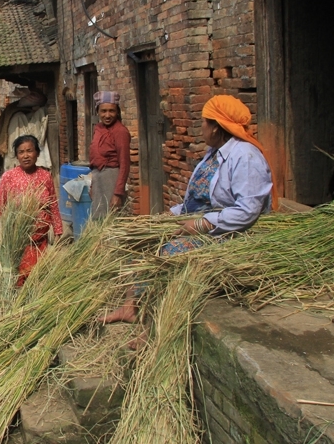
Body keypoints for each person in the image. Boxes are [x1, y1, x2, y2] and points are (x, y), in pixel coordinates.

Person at [101, 94, 275, 325]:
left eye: (204, 122)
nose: (201, 127)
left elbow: (247, 211)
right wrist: (171, 214)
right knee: (140, 243)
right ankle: (129, 307)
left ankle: (154, 326)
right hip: (198, 223)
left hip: (227, 233)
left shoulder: (246, 157)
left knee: (167, 253)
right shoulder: (214, 153)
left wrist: (203, 224)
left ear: (216, 127)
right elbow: (198, 199)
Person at [0, 135, 64, 286]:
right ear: (16, 156)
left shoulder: (45, 176)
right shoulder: (9, 177)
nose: (26, 155)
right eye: (21, 152)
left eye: (30, 151)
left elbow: (53, 206)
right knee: (19, 281)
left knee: (38, 280)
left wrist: (58, 232)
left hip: (40, 243)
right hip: (17, 244)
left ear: (37, 153)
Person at [88, 91, 131, 220]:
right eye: (103, 111)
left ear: (117, 111)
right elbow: (96, 158)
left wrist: (117, 193)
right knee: (98, 219)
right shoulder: (98, 128)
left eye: (111, 111)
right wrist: (92, 184)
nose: (107, 115)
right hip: (98, 178)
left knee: (111, 220)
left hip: (111, 179)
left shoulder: (120, 131)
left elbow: (124, 164)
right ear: (98, 112)